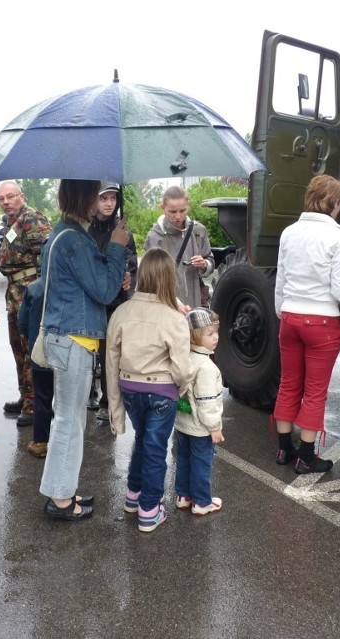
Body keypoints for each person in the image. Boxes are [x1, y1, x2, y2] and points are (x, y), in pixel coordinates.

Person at [39, 179, 129, 521]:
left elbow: (93, 284)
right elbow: (105, 291)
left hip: (68, 337)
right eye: (96, 193)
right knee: (68, 421)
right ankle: (61, 500)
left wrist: (112, 265)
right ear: (85, 196)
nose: (101, 200)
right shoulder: (75, 240)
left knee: (70, 418)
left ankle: (62, 489)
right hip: (73, 339)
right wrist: (118, 248)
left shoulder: (66, 234)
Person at [274, 175, 340, 473]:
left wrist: (283, 312)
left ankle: (284, 450)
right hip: (321, 323)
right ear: (334, 204)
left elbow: (281, 281)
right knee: (315, 390)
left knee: (288, 383)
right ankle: (306, 457)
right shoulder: (337, 238)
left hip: (290, 318)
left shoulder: (288, 233)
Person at [106, 248, 194, 533]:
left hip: (129, 388)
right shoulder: (174, 317)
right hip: (162, 392)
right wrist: (184, 387)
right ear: (170, 278)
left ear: (141, 276)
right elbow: (181, 368)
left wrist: (115, 407)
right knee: (156, 449)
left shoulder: (122, 311)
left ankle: (133, 496)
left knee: (142, 440)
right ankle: (149, 510)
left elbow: (111, 361)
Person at [0, 181, 52, 427]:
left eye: (10, 197)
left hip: (30, 293)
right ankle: (25, 395)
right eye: (1, 199)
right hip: (13, 293)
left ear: (22, 196)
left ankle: (34, 404)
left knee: (31, 348)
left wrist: (38, 294)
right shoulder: (10, 222)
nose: (6, 202)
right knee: (17, 347)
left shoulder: (33, 220)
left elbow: (47, 260)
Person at [87, 182, 137, 428]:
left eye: (113, 198)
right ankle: (89, 394)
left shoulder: (124, 231)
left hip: (115, 304)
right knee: (88, 353)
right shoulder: (84, 229)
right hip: (89, 302)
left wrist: (129, 275)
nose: (109, 203)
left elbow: (133, 264)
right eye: (103, 198)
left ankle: (108, 402)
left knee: (110, 355)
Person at [173, 308, 225, 516]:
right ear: (195, 336)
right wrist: (215, 428)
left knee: (183, 459)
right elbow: (208, 402)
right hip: (201, 428)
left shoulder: (185, 359)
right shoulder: (207, 367)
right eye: (210, 333)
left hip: (183, 423)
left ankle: (184, 496)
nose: (216, 337)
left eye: (216, 332)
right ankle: (202, 502)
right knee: (202, 463)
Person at [144, 185, 214, 309]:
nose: (178, 216)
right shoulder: (155, 237)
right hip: (166, 308)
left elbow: (210, 261)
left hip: (195, 306)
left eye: (182, 210)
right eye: (172, 211)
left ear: (188, 207)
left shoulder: (198, 231)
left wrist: (204, 264)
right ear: (163, 208)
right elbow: (149, 280)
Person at [18, 277, 52, 459]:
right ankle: (66, 443)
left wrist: (31, 338)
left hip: (40, 350)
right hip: (67, 350)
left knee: (42, 397)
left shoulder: (34, 287)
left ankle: (41, 441)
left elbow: (22, 321)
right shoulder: (71, 284)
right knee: (67, 400)